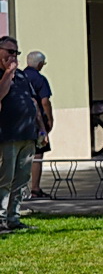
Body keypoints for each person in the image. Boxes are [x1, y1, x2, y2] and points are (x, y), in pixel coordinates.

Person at [0, 37, 38, 231]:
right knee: (5, 179)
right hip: (7, 135)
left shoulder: (23, 76)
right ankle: (0, 218)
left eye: (16, 53)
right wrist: (8, 72)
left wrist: (41, 128)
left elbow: (33, 101)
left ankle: (14, 217)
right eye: (9, 52)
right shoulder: (4, 74)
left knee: (22, 179)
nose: (13, 56)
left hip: (27, 134)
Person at [21, 51, 52, 199]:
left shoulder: (19, 76)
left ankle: (20, 189)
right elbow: (45, 102)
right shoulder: (40, 79)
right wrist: (49, 120)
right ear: (40, 64)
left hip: (21, 122)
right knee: (38, 155)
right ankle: (35, 188)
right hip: (36, 122)